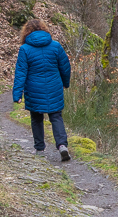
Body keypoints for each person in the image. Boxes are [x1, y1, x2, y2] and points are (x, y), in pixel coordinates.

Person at [12, 19, 73, 161]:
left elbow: (21, 73)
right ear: (44, 30)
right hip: (54, 86)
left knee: (36, 118)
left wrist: (17, 94)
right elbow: (65, 67)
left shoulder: (25, 49)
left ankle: (39, 149)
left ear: (26, 33)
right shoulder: (56, 46)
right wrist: (65, 83)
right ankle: (62, 145)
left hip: (34, 88)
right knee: (56, 116)